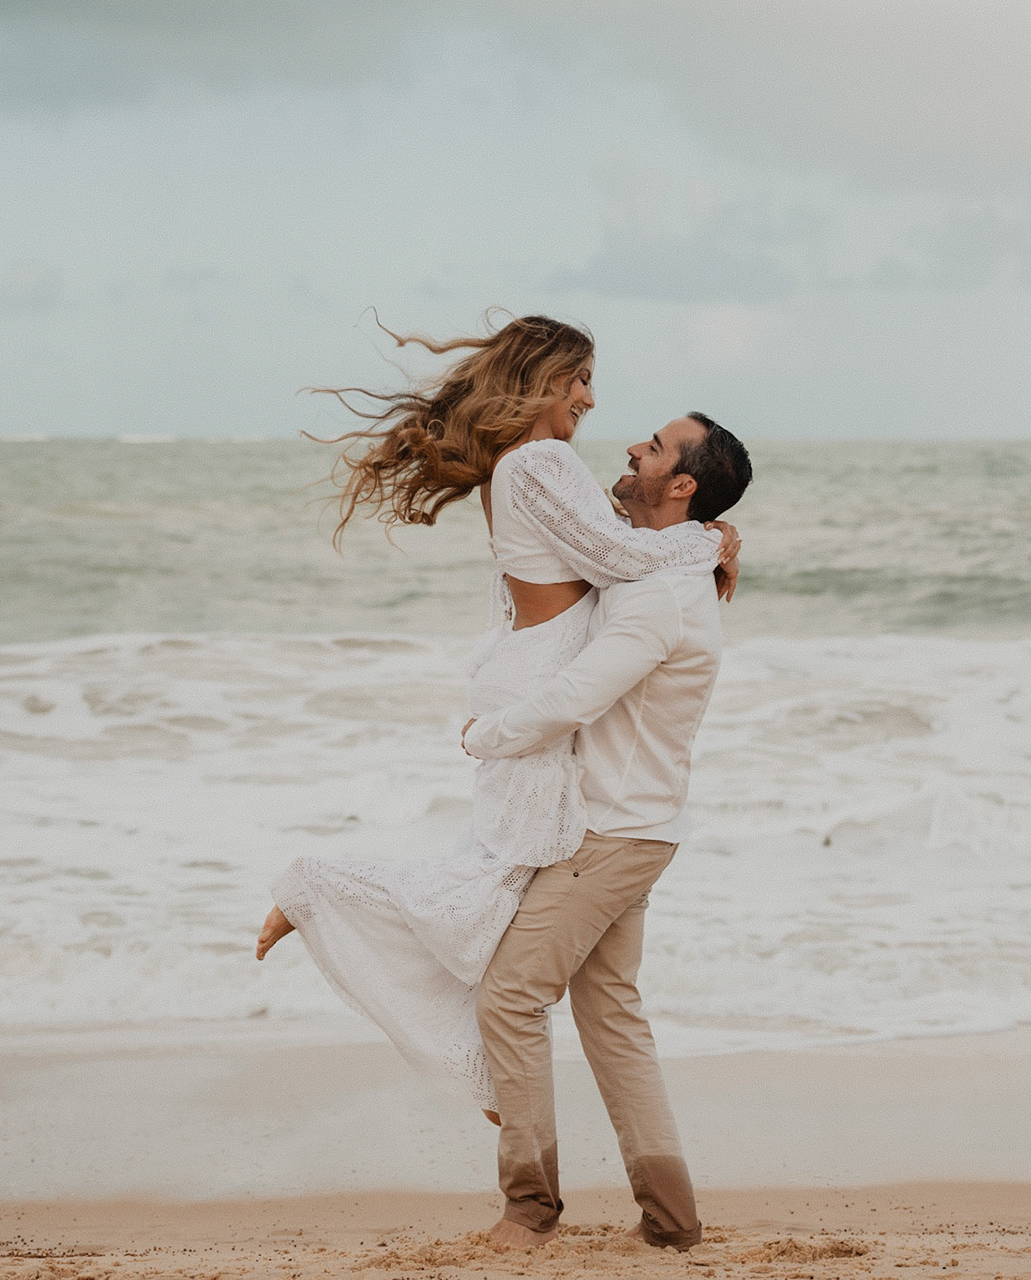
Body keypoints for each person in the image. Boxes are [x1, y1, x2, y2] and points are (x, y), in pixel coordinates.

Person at [252, 315, 739, 1120]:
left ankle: (481, 1052)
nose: (590, 397)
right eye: (579, 378)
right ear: (544, 379)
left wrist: (704, 540)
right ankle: (323, 894)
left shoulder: (526, 467)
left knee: (501, 876)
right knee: (494, 879)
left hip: (527, 671)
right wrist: (707, 545)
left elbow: (601, 551)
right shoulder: (542, 460)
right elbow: (620, 559)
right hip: (540, 680)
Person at [464, 411, 753, 1253]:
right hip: (629, 826)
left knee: (512, 995)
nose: (632, 446)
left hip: (614, 835)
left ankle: (530, 1209)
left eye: (656, 448)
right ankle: (671, 1221)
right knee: (612, 1014)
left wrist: (486, 734)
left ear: (684, 485)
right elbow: (556, 511)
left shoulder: (660, 596)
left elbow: (577, 695)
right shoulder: (649, 563)